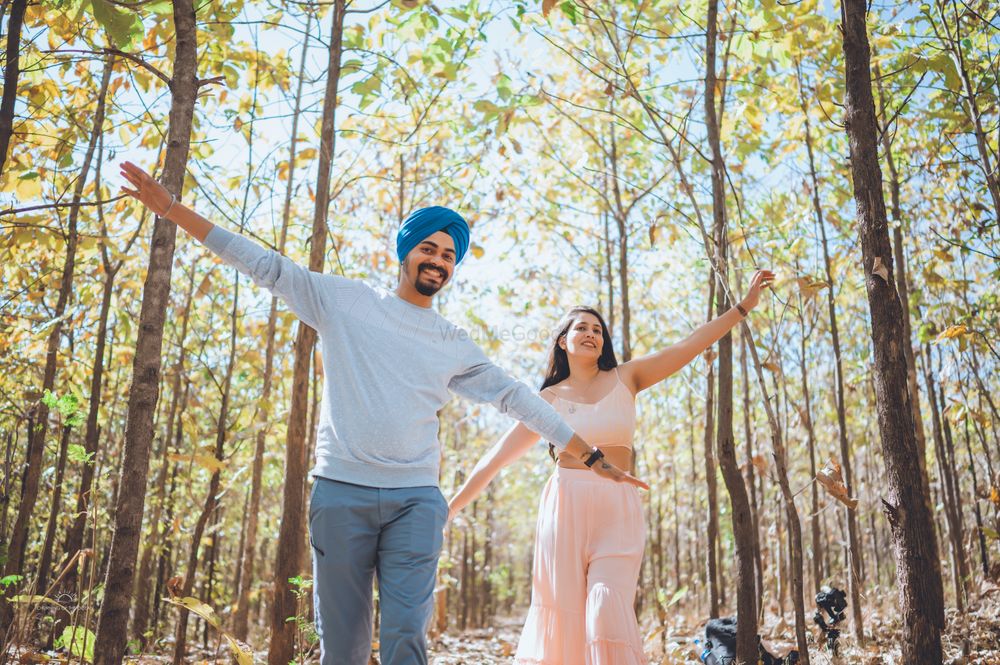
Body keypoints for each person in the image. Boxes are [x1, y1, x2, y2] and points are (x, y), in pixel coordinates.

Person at [116, 161, 646, 665]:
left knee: (403, 636)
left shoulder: (451, 342)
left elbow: (519, 398)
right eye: (428, 247)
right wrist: (171, 209)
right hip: (340, 491)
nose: (438, 260)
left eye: (448, 255)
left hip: (415, 501)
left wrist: (588, 453)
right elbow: (264, 265)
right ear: (406, 251)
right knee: (343, 646)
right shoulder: (343, 302)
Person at [447, 269, 774, 665]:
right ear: (563, 341)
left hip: (617, 506)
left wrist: (742, 307)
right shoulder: (546, 398)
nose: (591, 334)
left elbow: (688, 346)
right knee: (563, 618)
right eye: (581, 327)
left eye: (598, 330)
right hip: (564, 507)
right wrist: (448, 508)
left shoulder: (627, 378)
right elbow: (496, 458)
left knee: (606, 607)